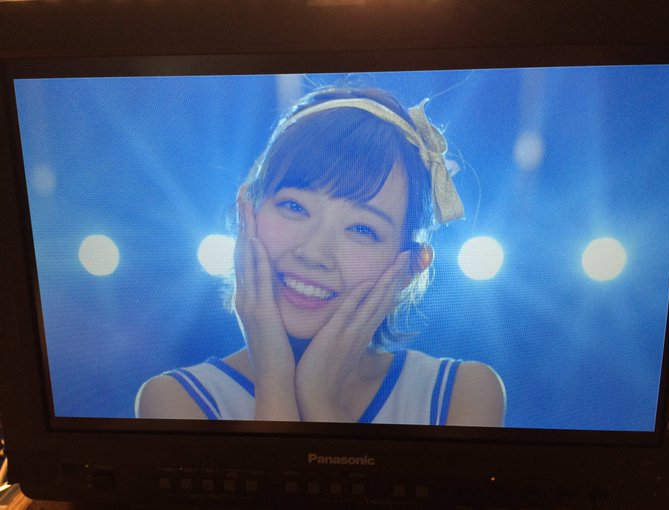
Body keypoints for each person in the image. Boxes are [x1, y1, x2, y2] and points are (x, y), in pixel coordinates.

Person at [136, 87, 505, 426]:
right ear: (247, 210)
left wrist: (318, 396)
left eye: (362, 229)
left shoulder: (462, 394)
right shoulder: (177, 400)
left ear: (410, 265)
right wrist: (275, 380)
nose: (313, 254)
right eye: (294, 206)